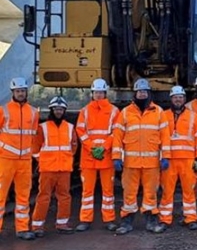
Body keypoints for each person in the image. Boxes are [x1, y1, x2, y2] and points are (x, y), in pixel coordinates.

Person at [112, 78, 170, 235]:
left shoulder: (158, 112)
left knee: (150, 193)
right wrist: (116, 157)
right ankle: (126, 222)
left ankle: (151, 222)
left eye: (145, 92)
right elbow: (117, 136)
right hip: (131, 163)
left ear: (149, 94)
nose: (142, 94)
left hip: (152, 163)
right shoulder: (125, 113)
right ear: (135, 94)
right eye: (139, 92)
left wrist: (166, 156)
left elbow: (165, 137)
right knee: (129, 193)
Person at [75, 78, 120, 232]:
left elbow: (117, 132)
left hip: (106, 157)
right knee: (87, 191)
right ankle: (85, 219)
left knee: (108, 191)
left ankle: (109, 219)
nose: (99, 95)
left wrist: (104, 147)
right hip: (89, 157)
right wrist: (93, 148)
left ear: (105, 93)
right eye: (96, 92)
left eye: (101, 92)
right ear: (92, 94)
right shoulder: (85, 111)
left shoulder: (114, 111)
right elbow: (80, 131)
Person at [159, 85, 197, 230]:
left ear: (184, 99)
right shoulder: (163, 115)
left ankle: (191, 219)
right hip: (169, 160)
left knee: (189, 191)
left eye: (180, 97)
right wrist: (160, 157)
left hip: (188, 160)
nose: (178, 100)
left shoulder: (193, 116)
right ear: (171, 99)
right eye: (175, 97)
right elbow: (158, 137)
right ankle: (165, 219)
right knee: (167, 191)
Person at [31, 97, 78, 236]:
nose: (58, 111)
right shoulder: (42, 127)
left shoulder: (70, 127)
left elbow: (74, 146)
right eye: (56, 109)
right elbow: (34, 148)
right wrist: (43, 160)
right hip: (47, 170)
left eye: (61, 109)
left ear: (64, 111)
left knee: (64, 197)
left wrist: (67, 158)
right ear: (51, 110)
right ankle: (37, 226)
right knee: (43, 197)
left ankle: (62, 223)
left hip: (64, 169)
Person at [0, 77, 39, 240]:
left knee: (23, 195)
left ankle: (22, 228)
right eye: (18, 91)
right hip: (6, 159)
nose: (21, 93)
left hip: (25, 160)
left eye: (23, 91)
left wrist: (36, 157)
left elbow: (34, 136)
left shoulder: (33, 112)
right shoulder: (4, 110)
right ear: (13, 93)